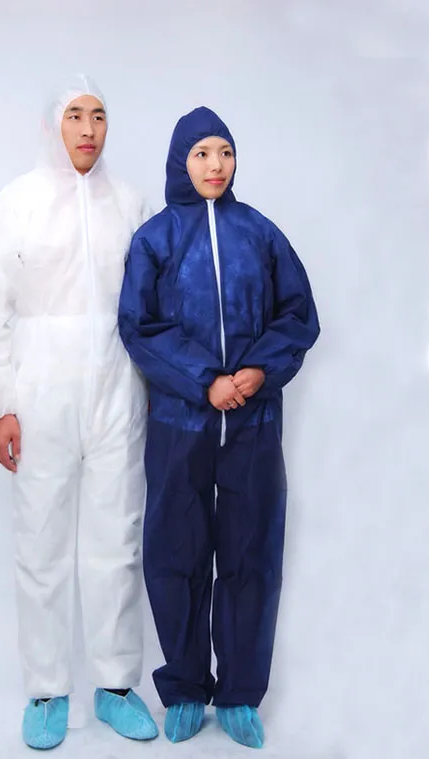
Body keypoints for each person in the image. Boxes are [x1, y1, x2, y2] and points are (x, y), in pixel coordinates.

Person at [0, 74, 158, 751]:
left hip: (117, 389)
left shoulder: (129, 202)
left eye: (98, 115)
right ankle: (47, 689)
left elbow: (150, 303)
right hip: (40, 391)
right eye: (75, 115)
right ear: (53, 125)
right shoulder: (17, 201)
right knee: (41, 540)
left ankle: (115, 684)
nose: (88, 129)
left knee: (116, 541)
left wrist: (153, 387)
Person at [118, 106, 320, 748]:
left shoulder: (260, 233)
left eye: (225, 152)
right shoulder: (155, 239)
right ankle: (183, 688)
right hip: (180, 422)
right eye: (202, 153)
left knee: (250, 555)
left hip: (253, 424)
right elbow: (140, 327)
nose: (216, 165)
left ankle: (238, 694)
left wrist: (258, 371)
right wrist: (206, 380)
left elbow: (298, 314)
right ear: (181, 161)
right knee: (176, 554)